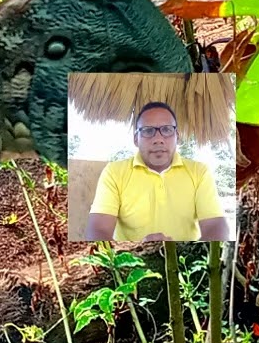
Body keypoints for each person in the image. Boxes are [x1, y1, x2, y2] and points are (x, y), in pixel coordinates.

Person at [84, 101, 229, 242]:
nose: (158, 139)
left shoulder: (199, 172)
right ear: (136, 139)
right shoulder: (114, 172)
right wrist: (137, 250)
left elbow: (215, 225)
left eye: (166, 130)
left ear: (177, 136)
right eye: (148, 131)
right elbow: (98, 228)